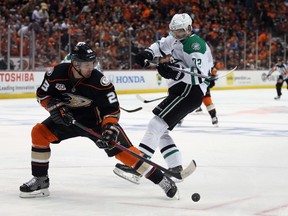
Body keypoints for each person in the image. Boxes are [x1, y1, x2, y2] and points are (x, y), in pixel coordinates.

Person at [19, 42, 178, 199]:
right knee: (39, 132)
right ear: (75, 64)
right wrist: (54, 107)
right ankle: (41, 179)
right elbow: (42, 95)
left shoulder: (99, 81)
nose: (92, 67)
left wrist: (109, 130)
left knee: (125, 153)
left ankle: (161, 179)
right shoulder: (56, 74)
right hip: (67, 119)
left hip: (95, 122)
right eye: (87, 64)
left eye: (92, 63)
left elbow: (112, 110)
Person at [114, 13, 213, 183]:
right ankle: (175, 167)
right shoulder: (175, 38)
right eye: (174, 31)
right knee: (161, 131)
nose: (177, 35)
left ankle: (139, 166)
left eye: (181, 32)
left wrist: (174, 70)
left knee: (156, 124)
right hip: (181, 90)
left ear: (189, 29)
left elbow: (199, 76)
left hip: (190, 91)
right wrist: (148, 53)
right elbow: (160, 45)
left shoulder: (195, 46)